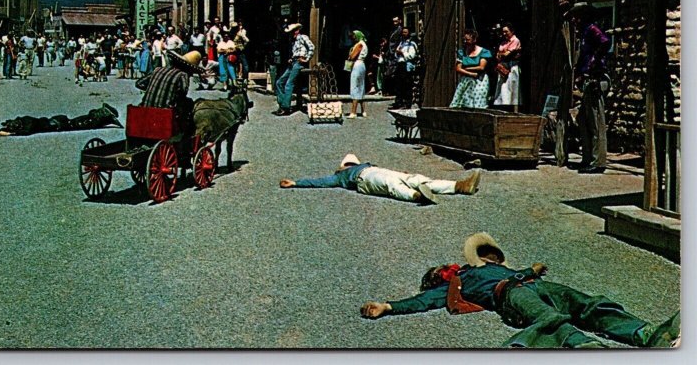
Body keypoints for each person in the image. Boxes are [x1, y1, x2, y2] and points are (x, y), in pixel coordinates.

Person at [360, 232, 680, 349]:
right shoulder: (460, 281)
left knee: (587, 303)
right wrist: (387, 306)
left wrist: (531, 271)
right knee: (549, 318)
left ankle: (644, 333)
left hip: (531, 285)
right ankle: (585, 348)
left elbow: (519, 274)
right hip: (511, 295)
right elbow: (424, 301)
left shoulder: (489, 266)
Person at [279, 153, 482, 203]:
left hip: (374, 172)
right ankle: (415, 196)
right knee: (391, 184)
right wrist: (297, 182)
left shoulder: (359, 166)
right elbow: (321, 182)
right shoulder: (340, 177)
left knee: (415, 177)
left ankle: (459, 186)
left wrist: (296, 182)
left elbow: (321, 182)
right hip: (365, 180)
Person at [564, 1, 611, 174]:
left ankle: (598, 161)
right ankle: (587, 158)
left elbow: (605, 42)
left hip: (596, 79)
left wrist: (594, 61)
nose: (574, 20)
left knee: (595, 120)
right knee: (583, 119)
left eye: (576, 16)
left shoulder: (592, 29)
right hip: (587, 79)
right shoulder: (584, 33)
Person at [0, 103, 122, 137]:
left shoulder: (27, 124)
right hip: (56, 120)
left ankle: (104, 115)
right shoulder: (24, 119)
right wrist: (2, 131)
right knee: (81, 121)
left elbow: (25, 132)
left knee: (83, 124)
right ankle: (103, 116)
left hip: (56, 124)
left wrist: (9, 133)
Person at [273, 23, 314, 116]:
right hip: (294, 61)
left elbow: (311, 47)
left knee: (289, 84)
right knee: (279, 82)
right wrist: (291, 58)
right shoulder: (294, 41)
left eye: (292, 32)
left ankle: (285, 107)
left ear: (297, 31)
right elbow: (296, 52)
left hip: (299, 62)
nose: (291, 34)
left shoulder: (303, 37)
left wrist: (306, 59)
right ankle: (283, 103)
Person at [450, 29, 492, 109]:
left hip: (480, 80)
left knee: (478, 103)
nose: (465, 41)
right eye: (464, 40)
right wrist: (471, 73)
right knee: (462, 101)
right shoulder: (462, 52)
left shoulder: (483, 52)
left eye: (468, 40)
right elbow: (458, 68)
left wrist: (466, 68)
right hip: (466, 79)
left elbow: (481, 67)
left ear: (474, 40)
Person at [493, 23, 522, 111]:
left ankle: (514, 110)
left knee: (512, 87)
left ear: (512, 31)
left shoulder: (515, 40)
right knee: (502, 88)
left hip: (511, 66)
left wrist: (502, 54)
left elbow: (506, 54)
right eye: (503, 32)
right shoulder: (504, 42)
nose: (504, 34)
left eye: (506, 32)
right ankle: (502, 108)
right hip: (503, 67)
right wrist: (501, 54)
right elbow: (498, 55)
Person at [392, 28, 419, 109]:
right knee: (399, 85)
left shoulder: (412, 44)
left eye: (405, 32)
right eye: (403, 32)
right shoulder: (401, 43)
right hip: (400, 65)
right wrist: (397, 54)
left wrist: (402, 53)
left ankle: (407, 103)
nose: (404, 34)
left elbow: (412, 55)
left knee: (407, 85)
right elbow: (396, 54)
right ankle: (399, 102)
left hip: (406, 66)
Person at [347, 30, 368, 118]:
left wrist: (350, 55)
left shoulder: (359, 44)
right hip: (361, 64)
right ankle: (363, 111)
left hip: (357, 64)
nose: (353, 38)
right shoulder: (363, 44)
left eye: (354, 37)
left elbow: (352, 56)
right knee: (361, 87)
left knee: (355, 86)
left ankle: (353, 112)